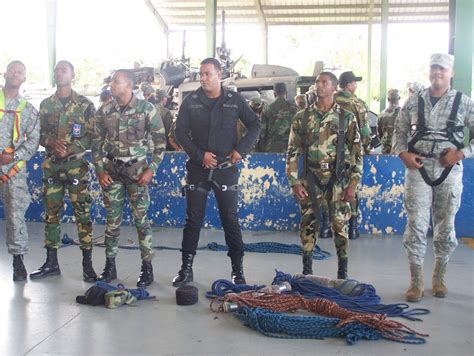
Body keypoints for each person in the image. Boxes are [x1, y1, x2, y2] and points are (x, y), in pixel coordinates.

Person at [392, 53, 473, 302]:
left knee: (445, 225)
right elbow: (399, 130)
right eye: (433, 69)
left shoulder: (465, 102)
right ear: (429, 72)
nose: (437, 73)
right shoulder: (414, 102)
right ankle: (416, 282)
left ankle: (439, 278)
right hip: (418, 169)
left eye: (442, 69)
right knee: (415, 224)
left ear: (451, 72)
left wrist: (461, 153)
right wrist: (402, 153)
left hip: (449, 170)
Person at [173, 57, 260, 287]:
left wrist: (241, 150)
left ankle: (237, 271)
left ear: (219, 75)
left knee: (230, 219)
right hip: (198, 169)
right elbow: (179, 132)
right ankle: (186, 268)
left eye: (207, 74)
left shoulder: (234, 100)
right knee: (193, 220)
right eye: (200, 74)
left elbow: (255, 124)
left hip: (225, 170)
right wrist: (199, 154)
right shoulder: (191, 101)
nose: (203, 78)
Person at [91, 69, 166, 287]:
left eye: (116, 81)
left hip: (138, 174)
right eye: (112, 81)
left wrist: (151, 168)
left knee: (141, 222)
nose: (112, 85)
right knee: (112, 222)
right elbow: (95, 144)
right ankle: (110, 266)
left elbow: (160, 141)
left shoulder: (146, 109)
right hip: (112, 173)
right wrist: (100, 171)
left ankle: (147, 268)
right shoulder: (104, 111)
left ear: (129, 85)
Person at [286, 72, 362, 278]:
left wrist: (353, 185)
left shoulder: (345, 117)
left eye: (324, 82)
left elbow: (357, 153)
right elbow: (293, 151)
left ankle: (342, 273)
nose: (319, 86)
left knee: (339, 225)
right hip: (310, 178)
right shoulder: (302, 118)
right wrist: (294, 182)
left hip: (338, 178)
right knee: (308, 223)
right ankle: (307, 271)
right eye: (317, 82)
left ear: (334, 87)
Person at [30, 61, 97, 282]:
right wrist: (51, 142)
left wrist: (72, 147)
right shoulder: (46, 105)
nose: (60, 73)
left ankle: (88, 265)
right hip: (52, 167)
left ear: (73, 75)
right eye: (57, 70)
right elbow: (38, 135)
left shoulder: (85, 105)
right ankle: (51, 263)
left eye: (64, 70)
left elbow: (92, 135)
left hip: (76, 167)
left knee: (82, 213)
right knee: (51, 214)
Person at [0, 60, 40, 281]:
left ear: (24, 78)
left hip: (12, 170)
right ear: (5, 73)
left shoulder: (28, 110)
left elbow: (33, 141)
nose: (16, 74)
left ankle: (18, 261)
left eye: (20, 72)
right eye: (12, 70)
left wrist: (13, 156)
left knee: (16, 216)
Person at [335, 71, 372, 240]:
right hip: (351, 152)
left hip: (327, 152)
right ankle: (353, 227)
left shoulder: (328, 100)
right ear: (349, 85)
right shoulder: (357, 103)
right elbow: (364, 130)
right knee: (351, 187)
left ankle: (326, 229)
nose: (355, 86)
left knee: (328, 187)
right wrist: (366, 147)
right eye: (354, 83)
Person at [257, 82, 298, 152]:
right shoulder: (295, 108)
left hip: (272, 146)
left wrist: (261, 148)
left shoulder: (267, 109)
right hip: (290, 146)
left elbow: (262, 131)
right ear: (286, 93)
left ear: (274, 93)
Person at [377, 89, 401, 154]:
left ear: (388, 99)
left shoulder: (381, 115)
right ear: (399, 98)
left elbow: (379, 134)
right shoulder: (404, 114)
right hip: (400, 150)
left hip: (385, 149)